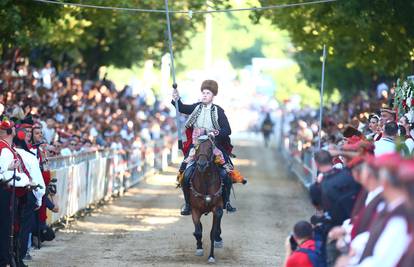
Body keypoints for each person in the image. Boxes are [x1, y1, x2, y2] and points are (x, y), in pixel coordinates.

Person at [171, 80, 243, 215]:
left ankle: (226, 202)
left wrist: (215, 133)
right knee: (185, 173)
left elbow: (227, 129)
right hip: (197, 145)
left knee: (227, 172)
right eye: (203, 93)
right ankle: (187, 204)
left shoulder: (218, 111)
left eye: (207, 93)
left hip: (214, 144)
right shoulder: (196, 107)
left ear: (213, 95)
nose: (204, 95)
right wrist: (176, 98)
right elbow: (180, 107)